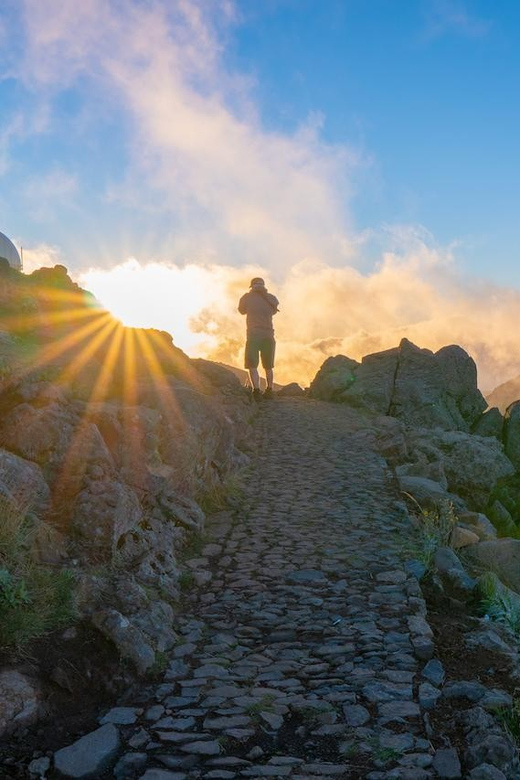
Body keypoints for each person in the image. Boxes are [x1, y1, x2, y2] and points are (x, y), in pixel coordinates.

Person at [238, 277, 279, 399]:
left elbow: (241, 311)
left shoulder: (246, 297)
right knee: (268, 365)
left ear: (252, 286)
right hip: (269, 334)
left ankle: (256, 391)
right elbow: (274, 311)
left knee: (252, 364)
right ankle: (269, 390)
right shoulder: (272, 298)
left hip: (253, 334)